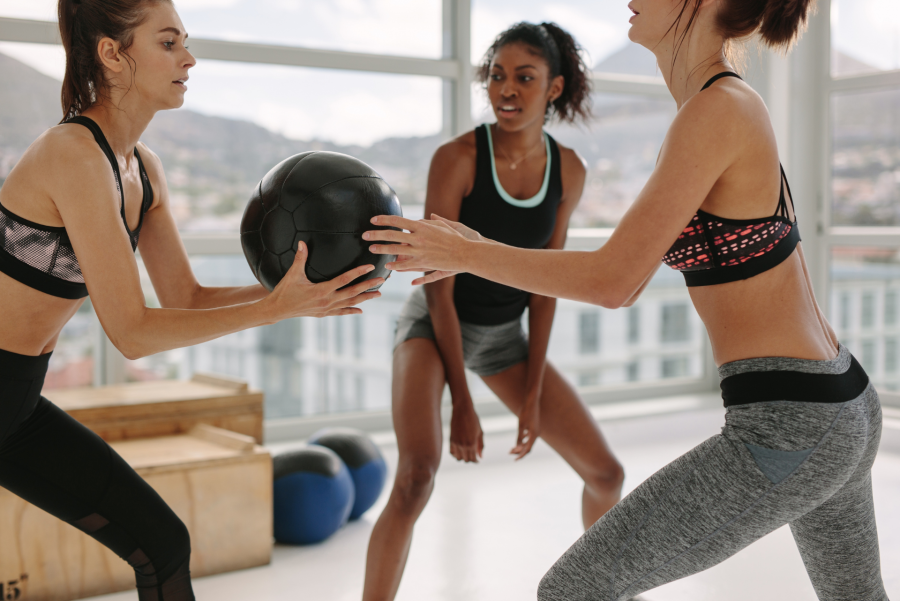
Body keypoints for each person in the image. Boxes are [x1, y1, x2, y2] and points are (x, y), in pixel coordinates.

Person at [365, 1, 890, 599]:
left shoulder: (719, 109)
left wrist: (467, 251)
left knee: (571, 590)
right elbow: (631, 278)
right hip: (839, 401)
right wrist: (471, 253)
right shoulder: (716, 108)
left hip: (791, 418)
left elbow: (612, 281)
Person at [0, 1, 382, 599]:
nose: (189, 58)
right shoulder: (72, 155)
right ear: (112, 53)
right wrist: (272, 309)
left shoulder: (141, 170)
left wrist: (296, 294)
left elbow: (186, 296)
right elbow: (131, 331)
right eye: (169, 43)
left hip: (15, 403)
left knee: (162, 543)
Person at [361, 22, 625, 601]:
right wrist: (462, 400)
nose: (506, 90)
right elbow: (438, 283)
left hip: (506, 337)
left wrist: (532, 392)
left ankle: (602, 592)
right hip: (435, 328)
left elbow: (546, 284)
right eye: (497, 76)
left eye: (524, 78)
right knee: (416, 476)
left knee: (606, 474)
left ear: (553, 88)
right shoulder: (457, 158)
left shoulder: (569, 170)